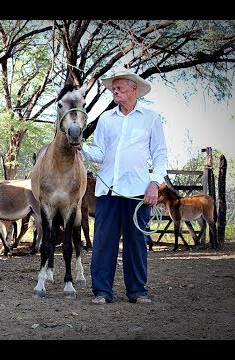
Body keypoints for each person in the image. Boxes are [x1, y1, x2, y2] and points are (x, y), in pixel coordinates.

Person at [81, 68, 168, 305]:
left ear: (134, 89)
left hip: (138, 193)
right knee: (103, 243)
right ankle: (102, 291)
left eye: (119, 87)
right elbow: (99, 152)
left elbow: (160, 154)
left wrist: (154, 183)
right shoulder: (106, 119)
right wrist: (80, 145)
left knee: (136, 243)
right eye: (113, 87)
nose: (114, 90)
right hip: (108, 190)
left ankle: (138, 291)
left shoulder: (151, 118)